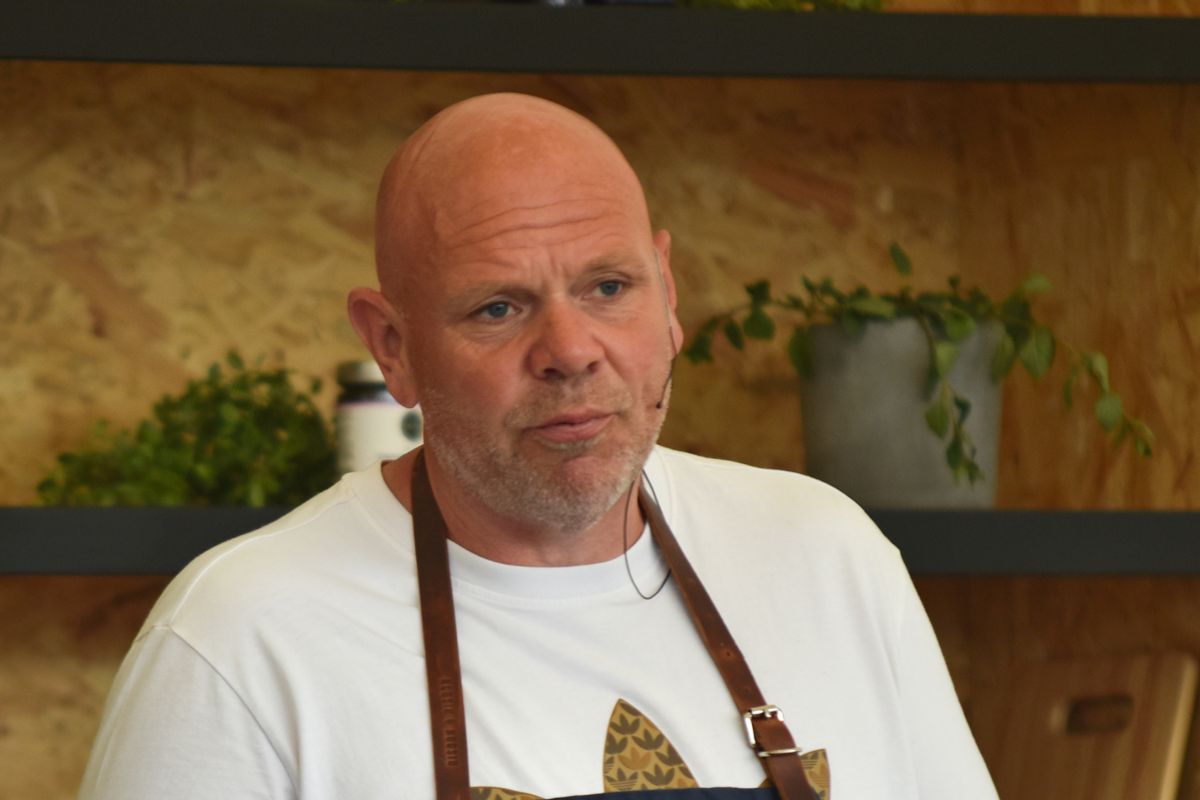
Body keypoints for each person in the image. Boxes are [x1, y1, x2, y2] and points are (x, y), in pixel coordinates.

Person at [79, 93, 998, 800]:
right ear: (393, 348)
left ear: (669, 295)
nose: (569, 351)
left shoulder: (827, 556)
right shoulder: (241, 636)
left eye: (609, 287)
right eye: (498, 307)